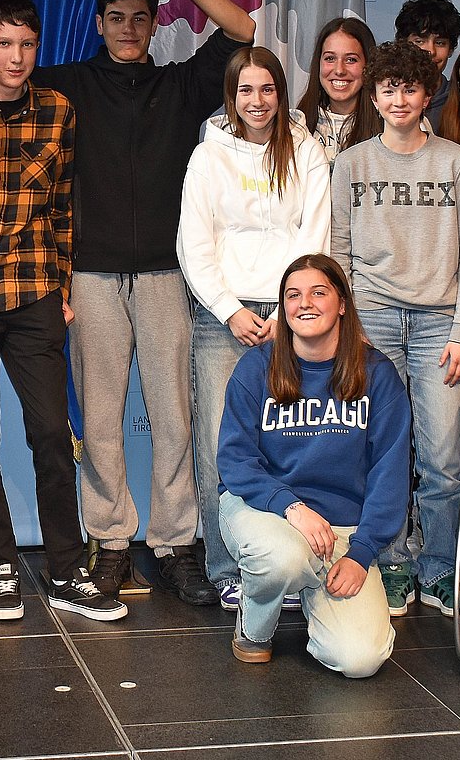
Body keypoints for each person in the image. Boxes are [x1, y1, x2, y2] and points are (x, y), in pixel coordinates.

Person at [29, 0, 255, 605]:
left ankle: (175, 543)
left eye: (140, 18)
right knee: (99, 418)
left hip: (165, 274)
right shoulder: (65, 84)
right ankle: (112, 542)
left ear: (157, 26)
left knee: (174, 416)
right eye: (117, 17)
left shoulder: (182, 86)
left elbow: (243, 30)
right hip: (91, 275)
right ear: (98, 23)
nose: (129, 29)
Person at [0, 0, 126, 622]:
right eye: (4, 44)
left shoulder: (58, 111)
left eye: (27, 45)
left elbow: (65, 204)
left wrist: (65, 286)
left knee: (50, 431)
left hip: (37, 290)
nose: (17, 58)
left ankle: (67, 567)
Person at [330, 40, 460, 618]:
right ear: (374, 95)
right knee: (382, 453)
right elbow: (338, 251)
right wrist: (351, 329)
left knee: (441, 457)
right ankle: (391, 562)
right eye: (388, 88)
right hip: (373, 322)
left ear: (426, 97)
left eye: (410, 88)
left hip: (440, 323)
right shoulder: (352, 163)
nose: (398, 98)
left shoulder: (455, 162)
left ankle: (438, 568)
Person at [179, 47, 331, 609]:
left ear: (281, 92)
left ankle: (291, 562)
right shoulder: (208, 158)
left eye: (267, 89)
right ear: (231, 96)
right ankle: (226, 567)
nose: (257, 102)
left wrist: (291, 309)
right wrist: (230, 309)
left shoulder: (307, 152)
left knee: (290, 442)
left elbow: (314, 234)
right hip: (225, 318)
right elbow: (195, 244)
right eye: (246, 91)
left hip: (293, 315)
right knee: (222, 443)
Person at [218, 254, 408, 677]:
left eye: (318, 292)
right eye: (293, 295)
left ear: (342, 303)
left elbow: (389, 475)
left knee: (360, 659)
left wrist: (361, 554)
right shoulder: (256, 368)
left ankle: (312, 592)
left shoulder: (377, 375)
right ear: (283, 310)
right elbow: (234, 460)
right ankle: (255, 626)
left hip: (341, 531)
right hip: (265, 510)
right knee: (283, 556)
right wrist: (291, 507)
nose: (305, 303)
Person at [293, 17, 383, 161]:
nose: (339, 70)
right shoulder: (296, 125)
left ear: (368, 65)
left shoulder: (388, 124)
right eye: (330, 58)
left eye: (351, 60)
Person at [393, 0, 460, 127]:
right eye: (420, 41)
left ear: (451, 49)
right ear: (403, 44)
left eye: (440, 43)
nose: (430, 51)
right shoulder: (387, 99)